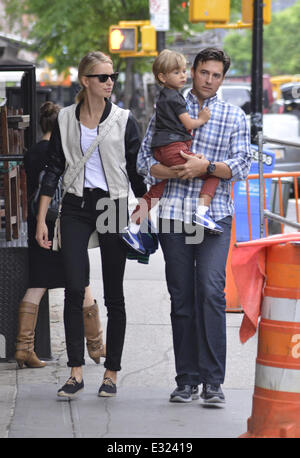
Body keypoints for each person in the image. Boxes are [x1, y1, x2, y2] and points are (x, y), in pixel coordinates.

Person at [137, 47, 252, 404]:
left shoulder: (234, 116)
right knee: (182, 295)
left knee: (211, 292)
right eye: (204, 72)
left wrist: (206, 168)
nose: (209, 80)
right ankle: (186, 379)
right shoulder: (169, 105)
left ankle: (213, 381)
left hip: (214, 214)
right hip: (173, 213)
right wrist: (174, 171)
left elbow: (243, 164)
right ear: (194, 70)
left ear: (222, 77)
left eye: (217, 75)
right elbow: (143, 161)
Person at [36, 51, 147, 398]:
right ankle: (75, 371)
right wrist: (42, 217)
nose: (109, 82)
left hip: (112, 203)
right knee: (73, 286)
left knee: (114, 293)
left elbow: (134, 168)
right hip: (74, 205)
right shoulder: (66, 118)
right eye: (102, 77)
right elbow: (54, 167)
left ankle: (111, 371)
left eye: (112, 76)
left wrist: (145, 202)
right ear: (85, 81)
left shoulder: (125, 120)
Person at [15, 101, 105, 369]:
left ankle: (23, 347)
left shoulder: (31, 153)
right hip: (65, 223)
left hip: (38, 224)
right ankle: (97, 345)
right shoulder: (64, 150)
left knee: (37, 284)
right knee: (82, 282)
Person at [122, 49, 223, 255]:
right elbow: (189, 123)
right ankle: (202, 212)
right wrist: (202, 118)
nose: (183, 76)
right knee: (213, 171)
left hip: (162, 150)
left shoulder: (163, 97)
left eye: (184, 71)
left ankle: (132, 227)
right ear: (162, 77)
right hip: (173, 148)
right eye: (177, 72)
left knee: (156, 191)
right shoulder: (175, 98)